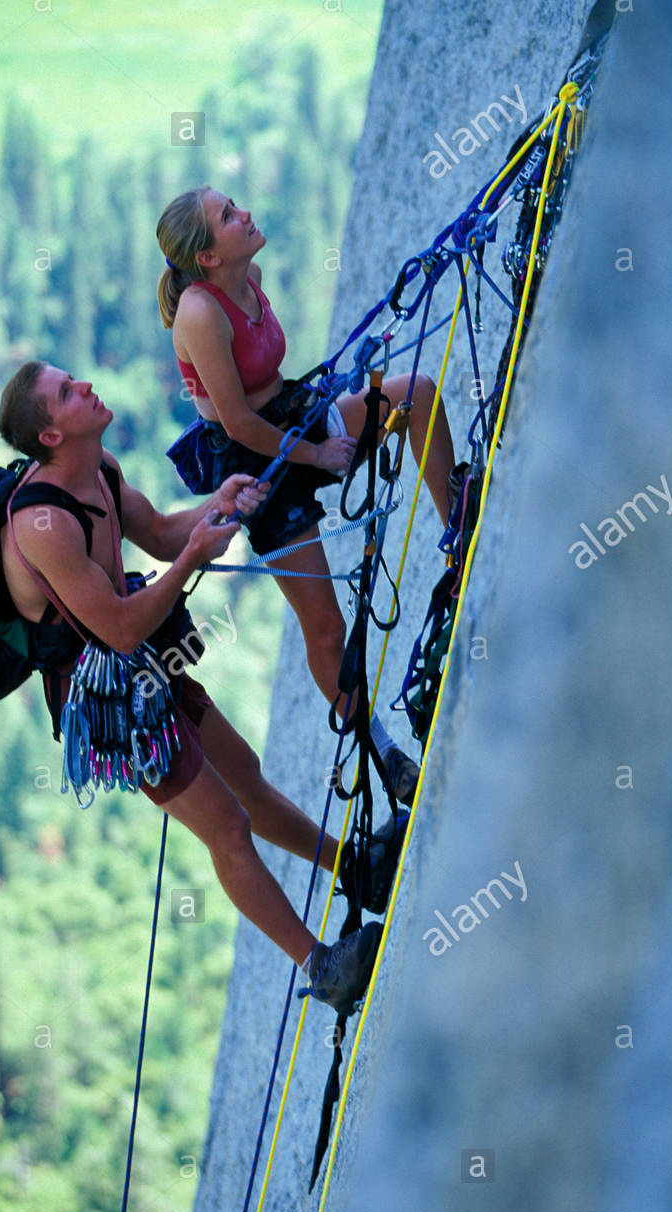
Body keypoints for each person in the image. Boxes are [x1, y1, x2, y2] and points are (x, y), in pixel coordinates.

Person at [0, 359, 390, 1014]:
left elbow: (154, 532)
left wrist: (218, 503)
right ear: (49, 436)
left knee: (246, 775)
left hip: (137, 671)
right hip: (105, 705)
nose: (87, 387)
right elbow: (120, 627)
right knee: (228, 827)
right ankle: (321, 967)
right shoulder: (44, 525)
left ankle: (352, 866)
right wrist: (192, 560)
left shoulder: (97, 470)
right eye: (66, 393)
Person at [156, 186, 459, 806]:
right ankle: (382, 748)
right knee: (325, 629)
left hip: (294, 417)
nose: (245, 213)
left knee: (415, 393)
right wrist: (319, 454)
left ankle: (458, 530)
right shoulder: (200, 313)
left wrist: (317, 434)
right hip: (255, 465)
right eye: (228, 216)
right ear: (208, 257)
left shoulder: (252, 276)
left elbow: (269, 398)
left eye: (235, 204)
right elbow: (238, 423)